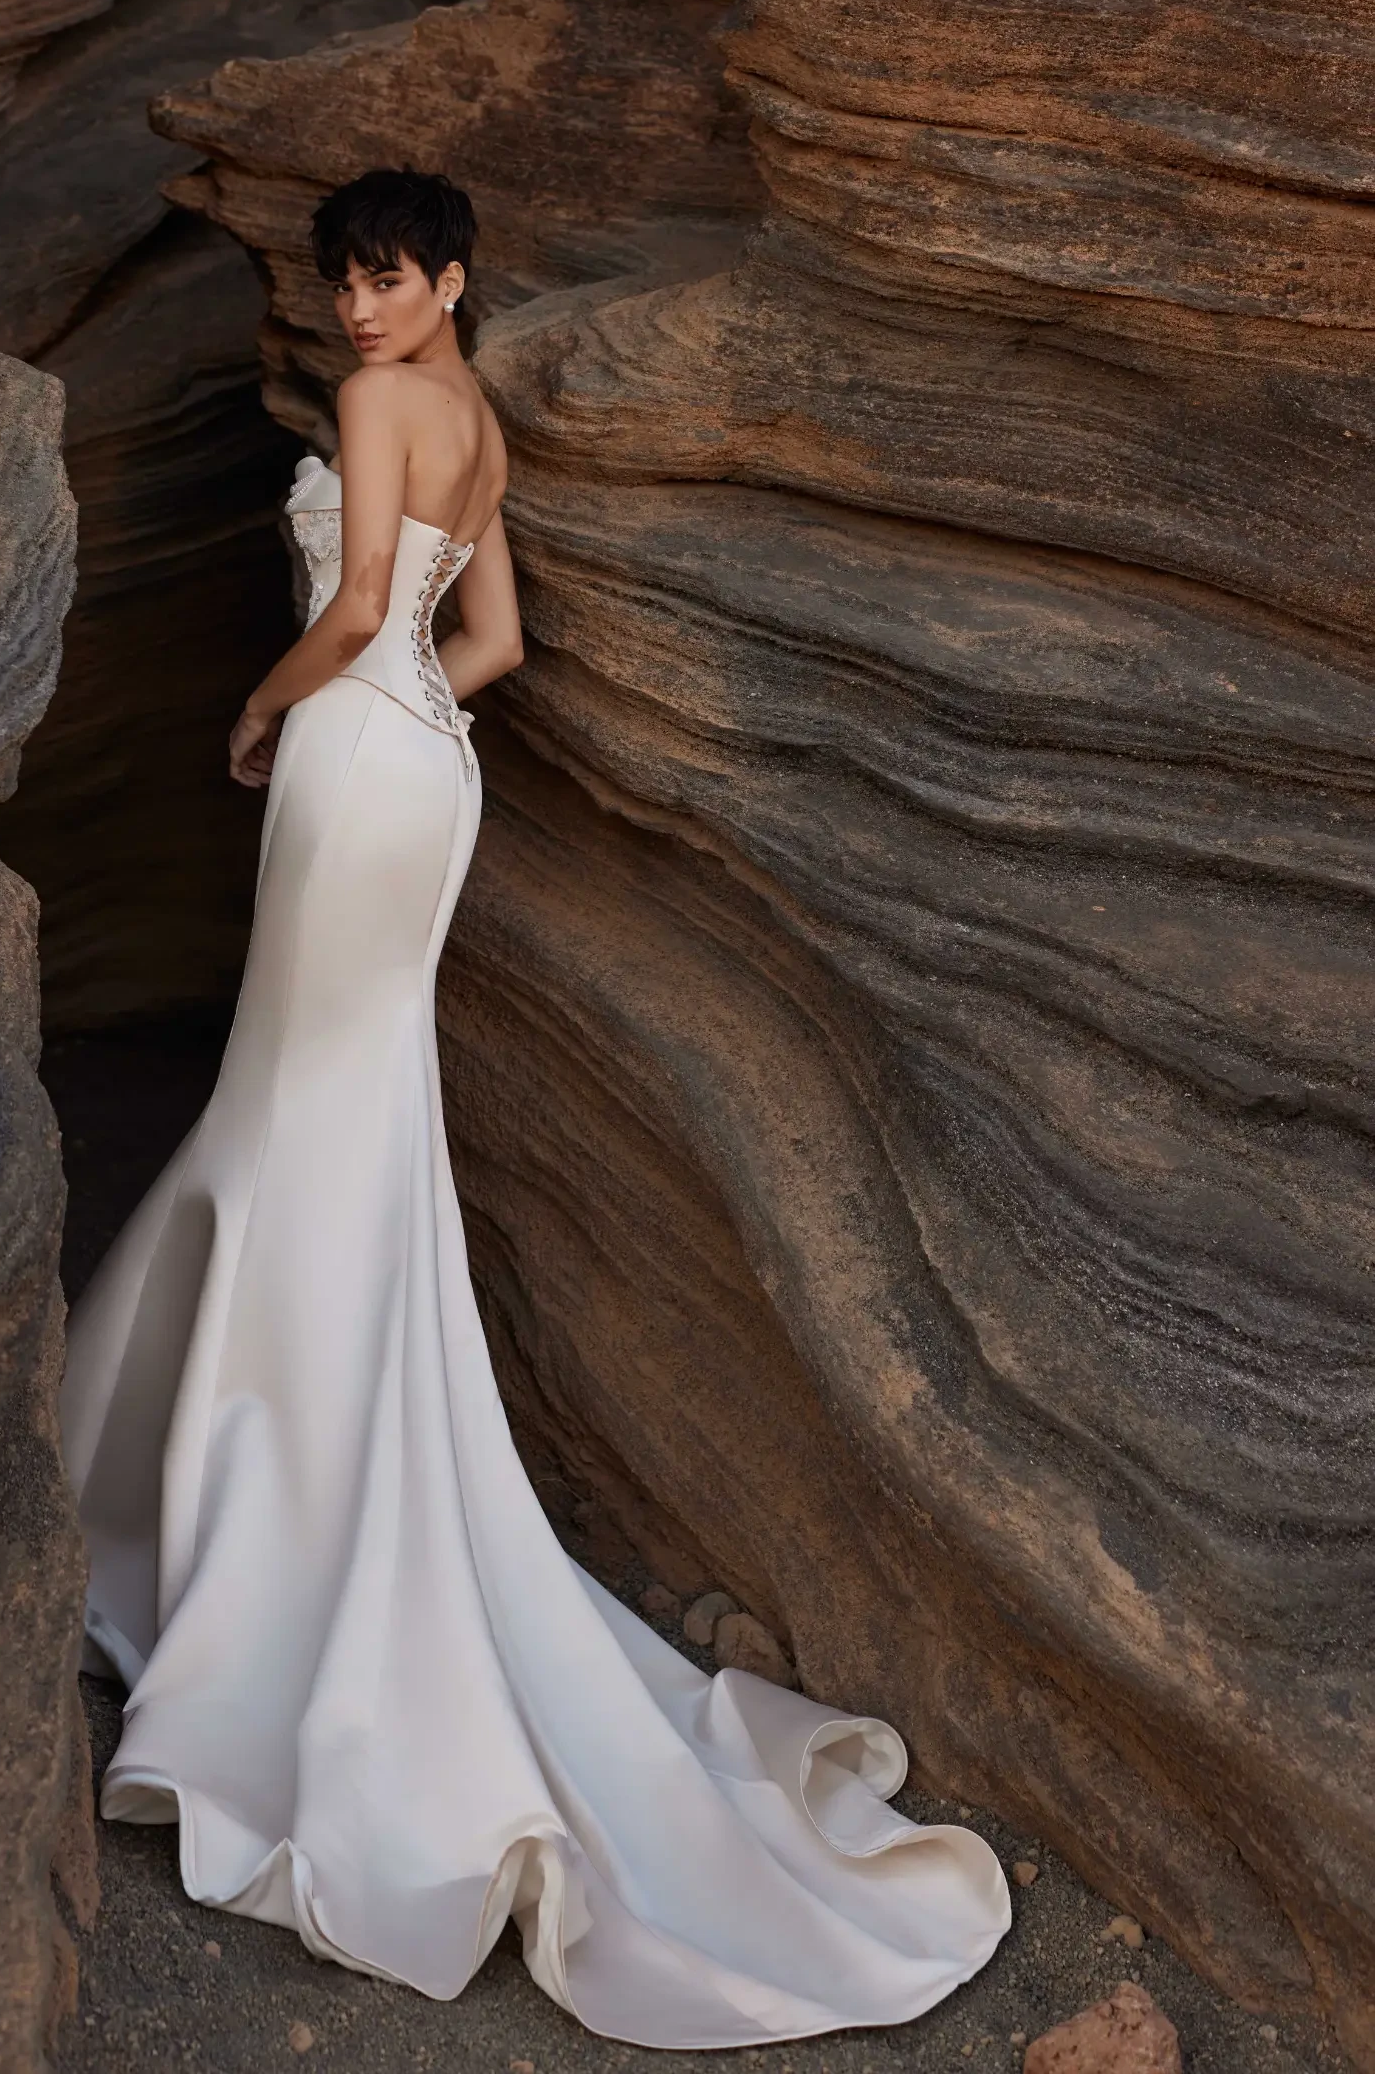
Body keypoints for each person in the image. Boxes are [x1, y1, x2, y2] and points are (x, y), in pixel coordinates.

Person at [60, 167, 1010, 2047]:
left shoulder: (375, 408)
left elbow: (348, 611)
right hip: (436, 767)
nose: (356, 306)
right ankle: (287, 1476)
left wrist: (259, 715)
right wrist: (399, 703)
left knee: (294, 1112)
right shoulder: (478, 423)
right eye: (342, 281)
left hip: (352, 755)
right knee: (337, 1116)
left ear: (452, 277)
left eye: (388, 276)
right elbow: (481, 642)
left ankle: (228, 1511)